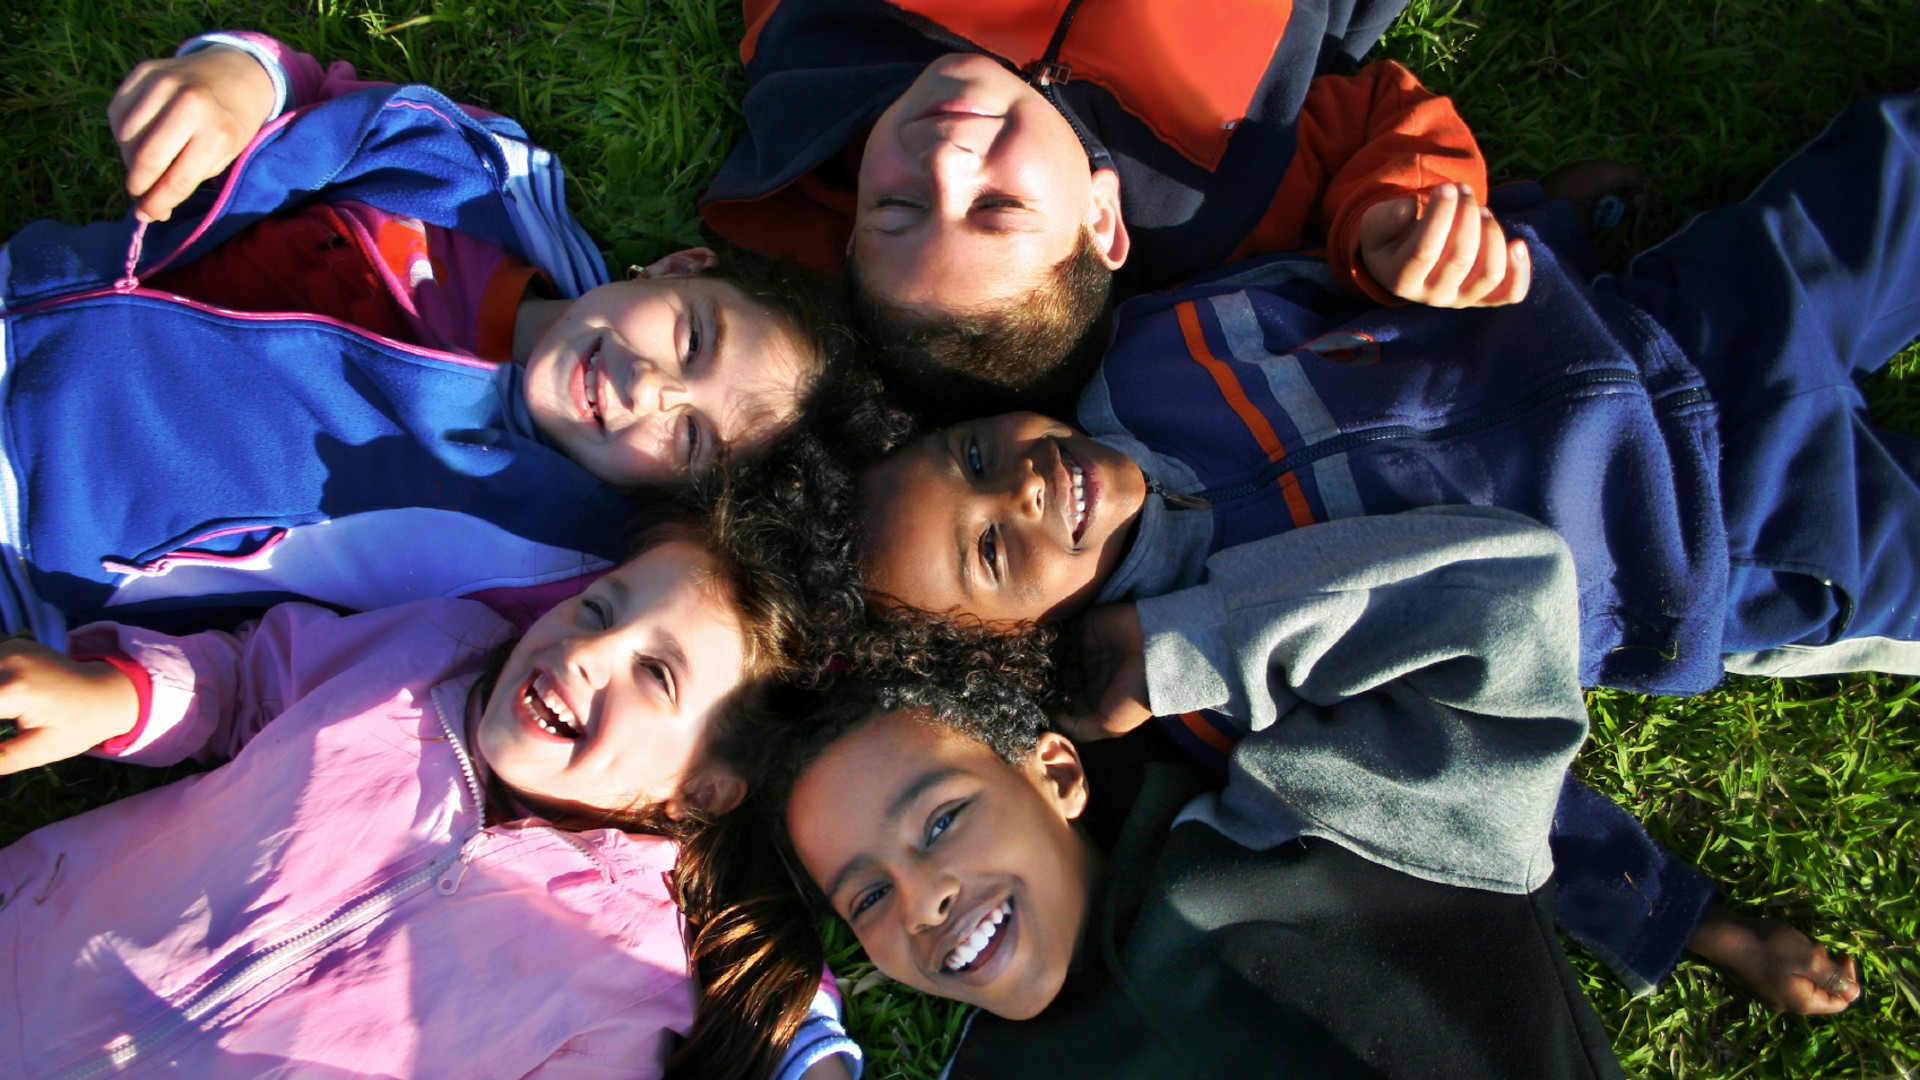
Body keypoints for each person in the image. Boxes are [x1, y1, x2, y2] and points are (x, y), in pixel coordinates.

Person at [0, 35, 841, 647]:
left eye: (690, 436)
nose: (650, 386)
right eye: (694, 339)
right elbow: (315, 96)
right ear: (674, 268)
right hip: (20, 289)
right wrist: (235, 81)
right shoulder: (476, 178)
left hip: (29, 550)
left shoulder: (532, 552)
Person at [0, 515, 861, 1079]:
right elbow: (249, 684)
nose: (590, 651)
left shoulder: (625, 987)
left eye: (657, 672)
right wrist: (119, 696)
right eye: (599, 610)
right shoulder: (427, 655)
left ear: (702, 791)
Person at [776, 508, 1629, 1078]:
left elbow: (1501, 594)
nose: (922, 900)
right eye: (869, 896)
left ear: (1057, 772)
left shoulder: (1337, 822)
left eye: (942, 818)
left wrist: (1176, 649)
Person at [699, 0, 1541, 414]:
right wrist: (1397, 212)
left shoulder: (817, 48)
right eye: (996, 206)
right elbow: (1378, 112)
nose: (947, 161)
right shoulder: (1215, 198)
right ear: (1103, 220)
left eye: (899, 206)